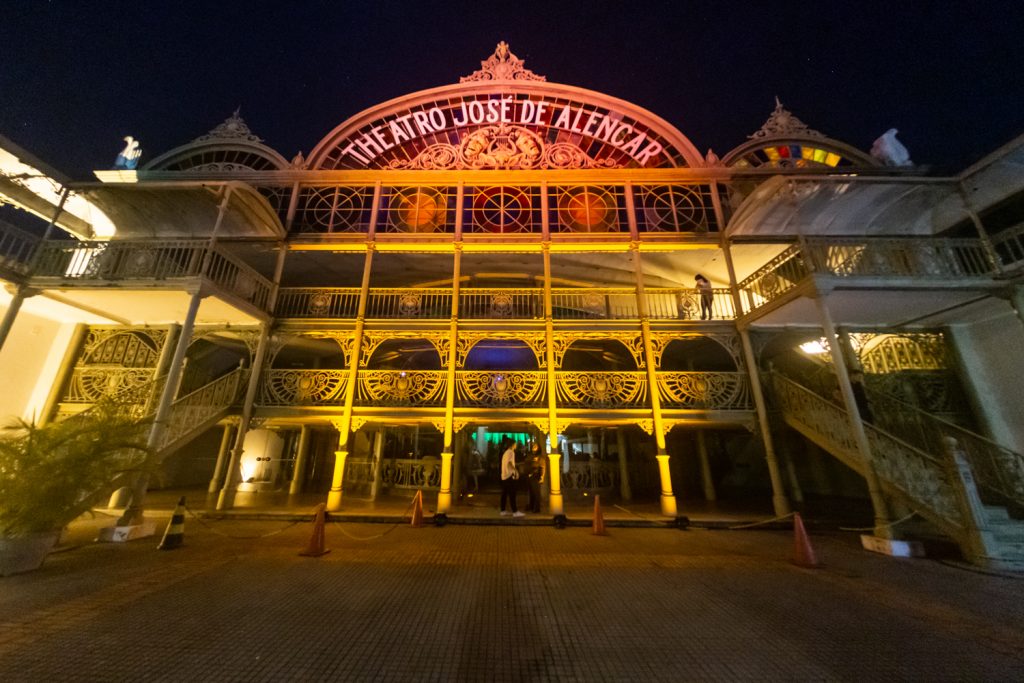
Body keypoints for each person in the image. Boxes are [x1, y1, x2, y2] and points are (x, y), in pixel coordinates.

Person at [499, 439, 524, 517]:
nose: (516, 445)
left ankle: (503, 510)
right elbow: (509, 463)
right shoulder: (511, 452)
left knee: (505, 494)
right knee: (512, 493)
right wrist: (516, 471)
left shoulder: (506, 452)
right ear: (512, 445)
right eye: (515, 444)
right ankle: (515, 511)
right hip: (509, 475)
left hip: (504, 475)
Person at [525, 442, 547, 513]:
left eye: (535, 446)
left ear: (538, 448)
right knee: (531, 492)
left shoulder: (540, 457)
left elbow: (543, 467)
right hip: (529, 475)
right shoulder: (531, 455)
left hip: (536, 475)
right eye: (533, 445)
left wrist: (542, 477)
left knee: (536, 492)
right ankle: (531, 506)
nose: (533, 447)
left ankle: (537, 508)